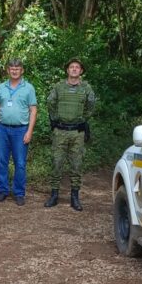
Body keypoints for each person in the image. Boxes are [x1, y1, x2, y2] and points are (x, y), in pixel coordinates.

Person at [45, 58, 96, 211]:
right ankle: (54, 195)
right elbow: (50, 103)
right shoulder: (59, 87)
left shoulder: (86, 88)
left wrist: (82, 119)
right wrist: (55, 119)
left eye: (77, 67)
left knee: (77, 165)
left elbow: (91, 106)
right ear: (67, 70)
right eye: (71, 67)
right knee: (56, 163)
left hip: (77, 132)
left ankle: (75, 197)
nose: (74, 69)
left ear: (81, 71)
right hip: (60, 131)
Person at [0, 59, 37, 206]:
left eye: (17, 68)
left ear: (22, 71)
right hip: (2, 129)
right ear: (8, 70)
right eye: (12, 68)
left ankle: (19, 193)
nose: (14, 71)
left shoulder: (29, 88)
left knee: (20, 163)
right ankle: (2, 191)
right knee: (1, 161)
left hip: (21, 130)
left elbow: (33, 110)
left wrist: (29, 131)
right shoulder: (1, 87)